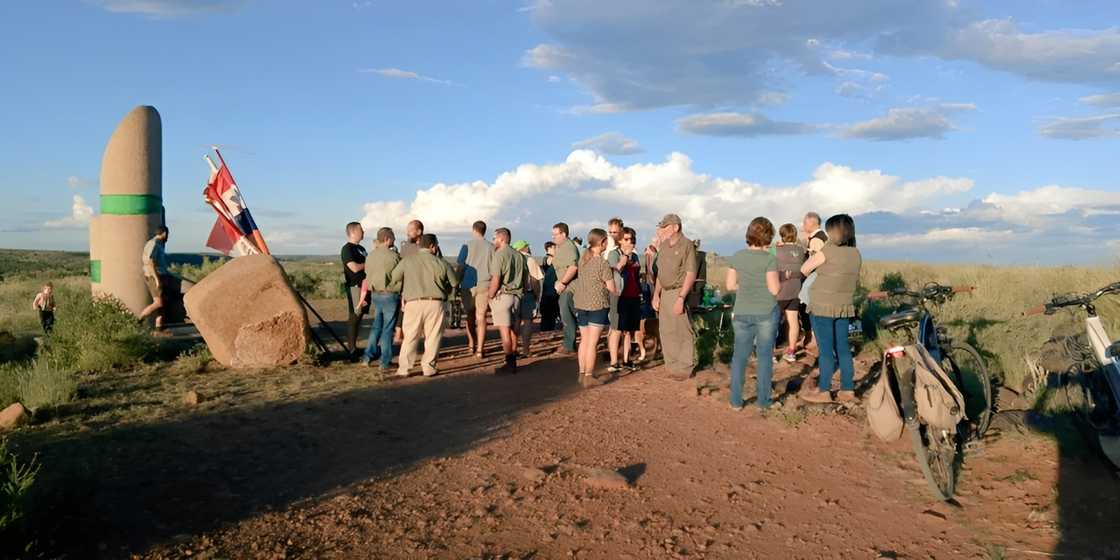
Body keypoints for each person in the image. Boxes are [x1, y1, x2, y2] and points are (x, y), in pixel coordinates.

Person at [800, 214, 862, 404]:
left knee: (826, 350)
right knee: (843, 349)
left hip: (821, 306)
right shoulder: (856, 253)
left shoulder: (827, 250)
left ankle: (824, 390)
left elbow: (804, 269)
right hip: (844, 307)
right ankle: (847, 390)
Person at [726, 218, 781, 411]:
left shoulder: (737, 256)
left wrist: (746, 286)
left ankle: (735, 401)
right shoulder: (769, 259)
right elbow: (774, 289)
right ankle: (763, 402)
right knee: (764, 357)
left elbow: (730, 285)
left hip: (742, 312)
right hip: (766, 312)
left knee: (739, 357)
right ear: (768, 236)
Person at [391, 233, 458, 377]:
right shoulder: (442, 263)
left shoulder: (408, 260)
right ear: (433, 246)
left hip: (413, 303)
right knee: (433, 337)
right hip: (435, 303)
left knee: (410, 337)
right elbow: (454, 282)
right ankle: (428, 368)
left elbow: (395, 276)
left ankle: (404, 369)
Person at [652, 214, 698, 381]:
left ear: (676, 227)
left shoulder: (687, 245)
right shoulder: (664, 246)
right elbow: (660, 273)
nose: (662, 230)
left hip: (678, 291)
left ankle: (684, 368)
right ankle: (672, 366)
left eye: (665, 227)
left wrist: (681, 297)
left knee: (682, 330)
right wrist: (656, 295)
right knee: (666, 330)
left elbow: (690, 273)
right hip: (664, 292)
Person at [571, 229, 617, 377]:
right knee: (592, 343)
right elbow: (611, 287)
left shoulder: (583, 260)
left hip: (581, 303)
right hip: (597, 305)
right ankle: (589, 375)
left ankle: (582, 372)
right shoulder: (602, 263)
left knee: (584, 340)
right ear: (602, 242)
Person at [359, 227, 401, 372]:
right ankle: (385, 361)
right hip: (390, 295)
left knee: (376, 326)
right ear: (387, 239)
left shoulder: (370, 256)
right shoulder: (394, 256)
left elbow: (367, 276)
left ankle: (367, 356)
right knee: (388, 329)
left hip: (376, 294)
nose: (394, 240)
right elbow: (400, 275)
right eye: (393, 237)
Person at [487, 228, 528, 374]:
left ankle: (510, 362)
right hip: (517, 296)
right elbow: (525, 279)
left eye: (494, 238)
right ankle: (513, 355)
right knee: (513, 330)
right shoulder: (520, 256)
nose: (493, 241)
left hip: (503, 296)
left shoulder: (499, 255)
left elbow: (496, 279)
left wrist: (490, 295)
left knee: (504, 332)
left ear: (502, 238)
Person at [456, 220, 494, 359]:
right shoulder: (491, 247)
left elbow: (461, 266)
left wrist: (456, 282)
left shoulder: (466, 245)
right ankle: (480, 349)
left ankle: (471, 344)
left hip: (468, 285)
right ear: (484, 231)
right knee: (481, 317)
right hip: (485, 284)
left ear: (473, 230)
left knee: (470, 316)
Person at [775, 223, 807, 362]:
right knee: (793, 321)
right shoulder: (801, 251)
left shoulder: (775, 250)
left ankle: (771, 353)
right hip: (795, 290)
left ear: (782, 235)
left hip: (779, 291)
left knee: (772, 323)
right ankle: (792, 351)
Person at [613, 227, 643, 370]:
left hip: (634, 295)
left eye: (632, 239)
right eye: (626, 239)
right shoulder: (615, 254)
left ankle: (626, 359)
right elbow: (614, 271)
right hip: (621, 295)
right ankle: (614, 360)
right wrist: (624, 258)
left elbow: (636, 275)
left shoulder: (635, 256)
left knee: (630, 330)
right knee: (619, 329)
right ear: (620, 240)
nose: (629, 242)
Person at [551, 223, 581, 355]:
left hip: (570, 287)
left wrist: (563, 282)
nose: (553, 237)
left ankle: (569, 345)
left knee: (567, 315)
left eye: (555, 234)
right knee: (567, 314)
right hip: (565, 286)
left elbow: (573, 267)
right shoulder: (561, 247)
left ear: (563, 234)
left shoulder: (568, 247)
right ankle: (569, 343)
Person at [138, 225, 173, 333]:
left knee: (162, 305)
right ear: (164, 233)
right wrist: (157, 279)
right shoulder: (153, 244)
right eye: (167, 234)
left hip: (161, 276)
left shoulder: (159, 244)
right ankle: (138, 320)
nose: (168, 237)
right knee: (158, 303)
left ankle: (159, 330)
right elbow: (150, 262)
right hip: (154, 277)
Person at [340, 222, 368, 356]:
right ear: (353, 232)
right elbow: (354, 268)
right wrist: (368, 264)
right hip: (354, 287)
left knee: (360, 316)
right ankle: (351, 350)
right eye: (361, 230)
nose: (363, 232)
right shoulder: (347, 249)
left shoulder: (361, 248)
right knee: (354, 317)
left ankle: (354, 347)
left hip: (365, 286)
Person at [513, 240, 542, 358]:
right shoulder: (530, 260)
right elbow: (534, 280)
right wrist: (537, 295)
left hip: (513, 293)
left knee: (515, 322)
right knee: (527, 322)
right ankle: (526, 350)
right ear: (524, 248)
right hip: (527, 294)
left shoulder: (512, 259)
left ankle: (513, 349)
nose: (529, 248)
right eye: (527, 246)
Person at [605, 218, 627, 371]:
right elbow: (613, 270)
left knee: (620, 327)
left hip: (623, 292)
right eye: (610, 232)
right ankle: (613, 360)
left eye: (615, 232)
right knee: (615, 327)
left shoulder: (618, 250)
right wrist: (622, 262)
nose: (612, 235)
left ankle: (621, 358)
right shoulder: (611, 251)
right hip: (614, 292)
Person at [539, 241, 560, 332]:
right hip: (550, 290)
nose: (557, 249)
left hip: (551, 290)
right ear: (549, 248)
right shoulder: (549, 259)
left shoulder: (549, 259)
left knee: (550, 315)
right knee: (549, 315)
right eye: (555, 248)